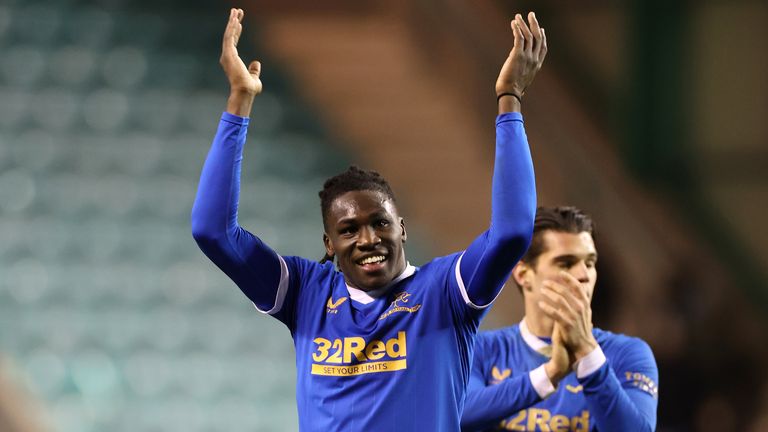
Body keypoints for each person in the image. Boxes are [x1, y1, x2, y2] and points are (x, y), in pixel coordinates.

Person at [192, 8, 546, 431]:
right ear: (329, 245)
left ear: (402, 228)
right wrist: (239, 101)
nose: (368, 239)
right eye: (348, 230)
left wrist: (510, 99)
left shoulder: (445, 292)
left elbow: (512, 232)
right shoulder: (306, 294)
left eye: (380, 223)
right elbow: (213, 232)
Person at [461, 206, 659, 431]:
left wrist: (588, 354)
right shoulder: (480, 350)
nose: (583, 275)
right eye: (565, 263)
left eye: (590, 263)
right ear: (524, 274)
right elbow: (458, 415)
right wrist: (550, 373)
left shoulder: (627, 353)